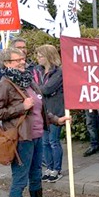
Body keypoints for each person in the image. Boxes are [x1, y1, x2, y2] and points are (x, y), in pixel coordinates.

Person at [0, 47, 70, 197]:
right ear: (7, 63)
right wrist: (20, 107)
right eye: (18, 60)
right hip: (20, 139)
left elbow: (39, 109)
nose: (22, 62)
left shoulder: (29, 80)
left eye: (23, 58)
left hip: (37, 136)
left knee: (36, 176)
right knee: (20, 180)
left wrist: (56, 119)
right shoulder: (5, 84)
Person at [34, 44, 65, 183]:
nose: (38, 58)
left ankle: (56, 169)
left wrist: (40, 90)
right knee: (45, 142)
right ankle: (49, 168)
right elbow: (34, 87)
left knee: (53, 141)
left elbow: (47, 88)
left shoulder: (58, 72)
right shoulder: (37, 70)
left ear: (48, 57)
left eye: (41, 56)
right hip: (42, 111)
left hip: (55, 111)